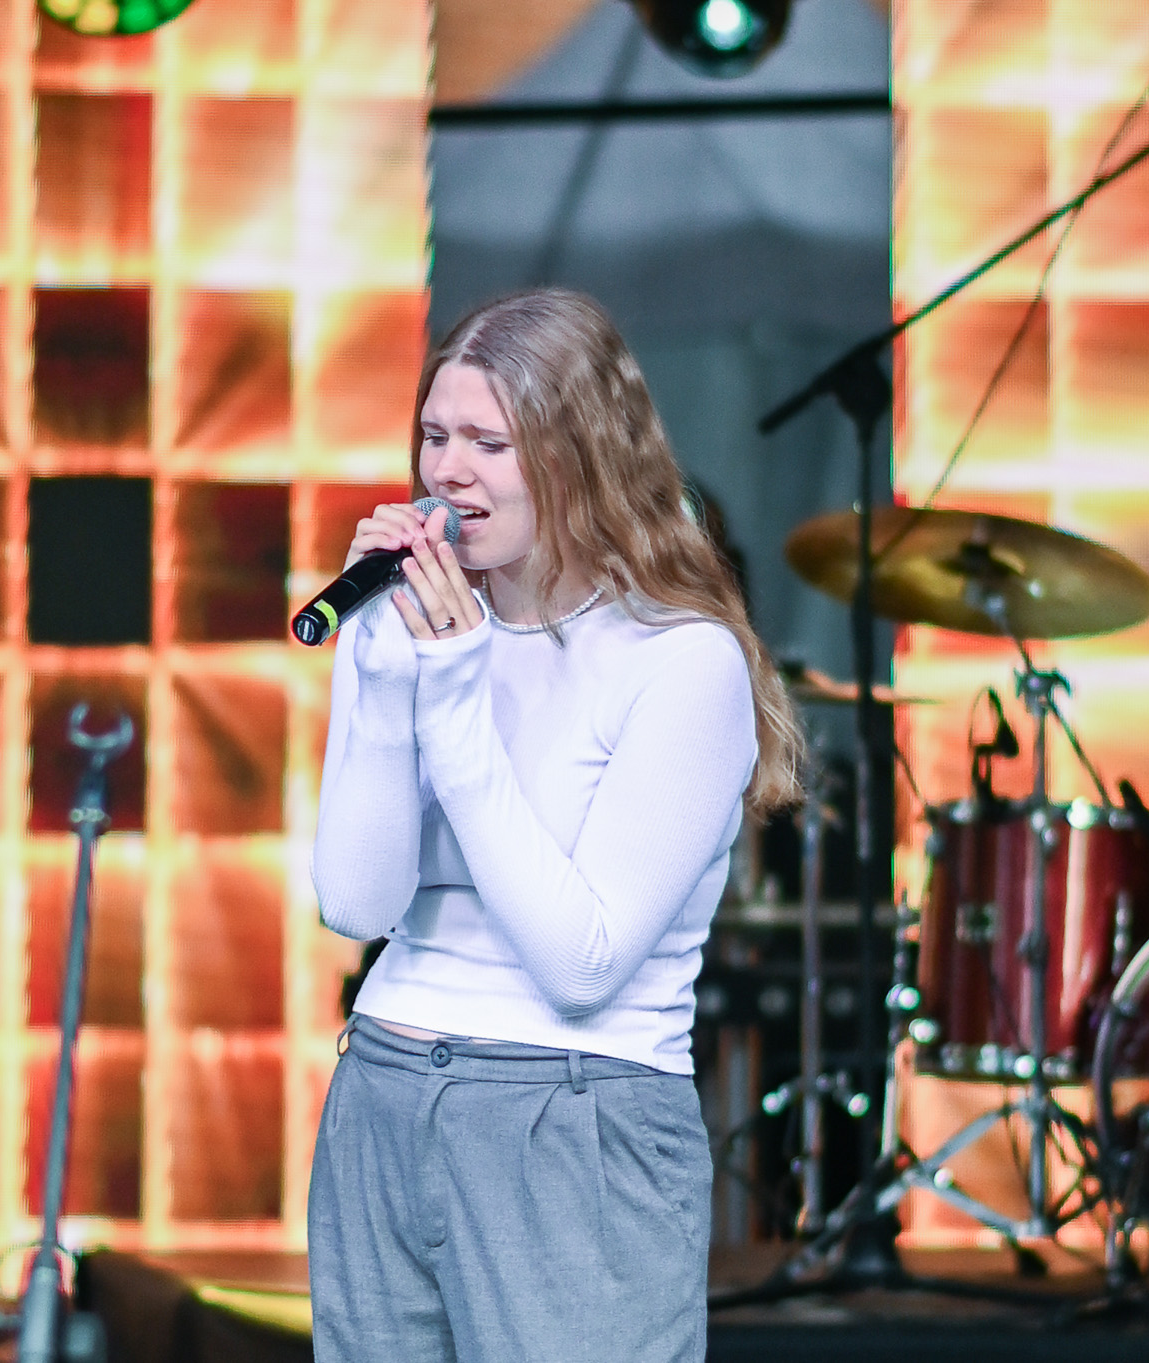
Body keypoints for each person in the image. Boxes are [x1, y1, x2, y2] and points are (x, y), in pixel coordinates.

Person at [308, 288, 802, 1362]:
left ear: (582, 456)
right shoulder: (417, 630)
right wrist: (380, 677)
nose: (448, 472)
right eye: (434, 436)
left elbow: (581, 961)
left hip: (571, 1116)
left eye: (489, 443)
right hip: (383, 1090)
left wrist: (453, 697)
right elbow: (356, 901)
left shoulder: (680, 660)